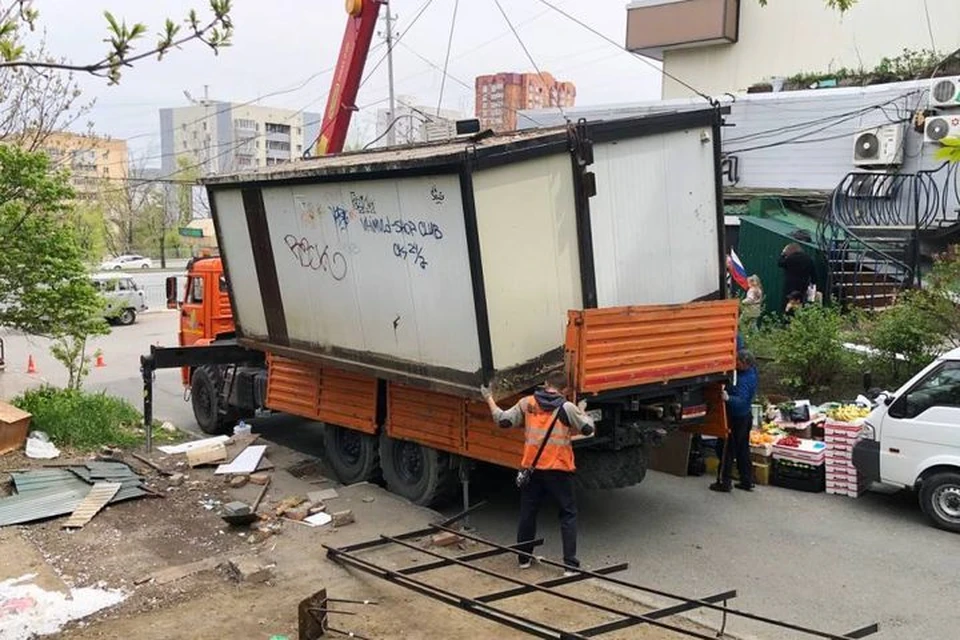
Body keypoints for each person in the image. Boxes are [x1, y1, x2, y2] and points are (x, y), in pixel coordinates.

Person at [481, 371, 595, 574]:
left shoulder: (528, 403)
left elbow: (503, 421)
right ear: (565, 390)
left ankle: (523, 558)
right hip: (559, 470)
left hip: (532, 470)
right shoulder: (566, 408)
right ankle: (570, 565)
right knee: (568, 514)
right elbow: (587, 429)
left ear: (545, 384)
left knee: (528, 513)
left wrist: (488, 397)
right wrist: (582, 410)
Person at [710, 350, 759, 493]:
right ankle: (747, 480)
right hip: (745, 417)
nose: (735, 363)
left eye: (737, 361)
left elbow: (741, 400)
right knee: (742, 449)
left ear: (745, 363)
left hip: (736, 418)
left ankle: (724, 481)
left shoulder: (744, 381)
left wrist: (728, 398)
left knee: (725, 449)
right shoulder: (751, 373)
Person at [778, 243, 815, 312]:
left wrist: (783, 253)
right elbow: (813, 274)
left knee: (788, 303)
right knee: (800, 303)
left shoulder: (790, 258)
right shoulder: (808, 259)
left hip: (790, 285)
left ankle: (787, 317)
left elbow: (780, 263)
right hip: (803, 285)